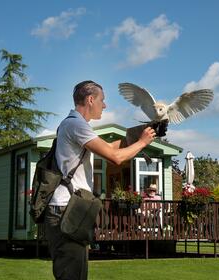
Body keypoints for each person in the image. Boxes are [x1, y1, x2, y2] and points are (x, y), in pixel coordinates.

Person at [44, 80, 156, 280]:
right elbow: (116, 158)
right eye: (102, 100)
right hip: (65, 211)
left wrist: (134, 136)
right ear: (90, 99)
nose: (104, 105)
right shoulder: (76, 124)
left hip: (68, 210)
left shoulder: (74, 124)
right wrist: (142, 142)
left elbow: (110, 148)